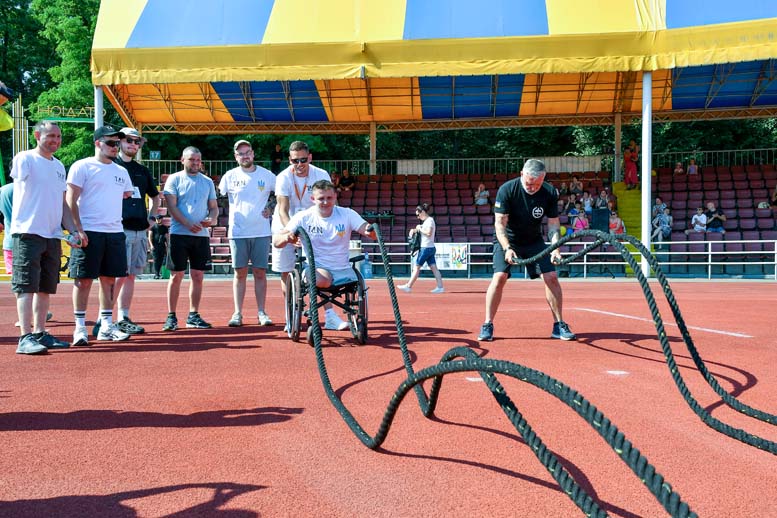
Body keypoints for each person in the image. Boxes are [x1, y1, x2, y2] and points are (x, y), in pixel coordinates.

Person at [477, 159, 576, 342]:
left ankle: (559, 324)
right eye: (530, 184)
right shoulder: (507, 190)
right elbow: (500, 224)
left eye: (538, 184)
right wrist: (507, 248)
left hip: (533, 240)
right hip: (508, 239)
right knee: (499, 277)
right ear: (522, 174)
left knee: (551, 276)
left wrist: (555, 248)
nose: (533, 188)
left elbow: (553, 224)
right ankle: (487, 324)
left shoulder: (548, 192)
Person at [9, 121, 75, 354]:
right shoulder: (25, 158)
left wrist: (73, 230)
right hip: (27, 232)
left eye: (58, 136)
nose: (56, 140)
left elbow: (63, 203)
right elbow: (18, 188)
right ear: (37, 135)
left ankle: (39, 332)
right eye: (51, 136)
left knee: (46, 287)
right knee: (26, 285)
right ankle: (24, 337)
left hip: (52, 235)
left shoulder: (59, 166)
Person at [272, 180, 375, 328]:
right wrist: (287, 238)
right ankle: (329, 316)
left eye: (329, 198)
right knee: (323, 278)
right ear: (313, 199)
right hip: (315, 269)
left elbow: (367, 229)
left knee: (352, 280)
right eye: (321, 198)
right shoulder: (303, 217)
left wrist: (370, 231)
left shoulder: (347, 214)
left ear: (335, 196)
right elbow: (276, 241)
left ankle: (335, 318)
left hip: (343, 270)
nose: (325, 202)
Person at [66, 125, 135, 345]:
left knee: (109, 280)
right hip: (89, 231)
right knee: (83, 281)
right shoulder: (82, 166)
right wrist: (77, 228)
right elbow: (70, 199)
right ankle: (79, 328)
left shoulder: (121, 171)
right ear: (98, 143)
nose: (116, 147)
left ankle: (106, 326)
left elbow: (126, 194)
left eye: (118, 143)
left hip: (114, 232)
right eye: (111, 143)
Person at [91, 127, 160, 337]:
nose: (133, 145)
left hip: (140, 229)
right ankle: (103, 320)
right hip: (118, 229)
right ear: (119, 142)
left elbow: (155, 196)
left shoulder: (142, 170)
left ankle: (123, 317)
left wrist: (152, 218)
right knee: (116, 276)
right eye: (129, 140)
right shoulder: (111, 166)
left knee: (130, 276)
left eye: (137, 142)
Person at [271, 141, 344, 329]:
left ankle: (329, 315)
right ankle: (291, 316)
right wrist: (291, 233)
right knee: (286, 270)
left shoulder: (321, 174)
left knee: (320, 268)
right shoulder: (283, 177)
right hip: (286, 224)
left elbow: (327, 204)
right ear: (290, 160)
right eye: (295, 160)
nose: (299, 164)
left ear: (310, 157)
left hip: (312, 225)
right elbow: (283, 209)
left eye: (303, 160)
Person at [219, 139, 277, 327]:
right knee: (239, 273)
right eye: (241, 153)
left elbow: (281, 195)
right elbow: (219, 197)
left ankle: (262, 312)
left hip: (261, 231)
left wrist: (271, 207)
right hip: (238, 232)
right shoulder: (229, 176)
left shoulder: (267, 175)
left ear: (253, 153)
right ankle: (237, 313)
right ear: (236, 157)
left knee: (260, 272)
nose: (245, 156)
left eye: (247, 152)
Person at [161, 146, 218, 331]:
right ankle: (171, 316)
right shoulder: (174, 179)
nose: (195, 163)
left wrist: (212, 219)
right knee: (176, 275)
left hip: (200, 235)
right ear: (182, 160)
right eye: (192, 159)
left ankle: (193, 315)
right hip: (179, 234)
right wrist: (187, 223)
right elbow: (172, 207)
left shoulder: (207, 182)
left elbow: (214, 207)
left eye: (198, 160)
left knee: (198, 275)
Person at [397, 203, 444, 293]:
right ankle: (440, 287)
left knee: (416, 267)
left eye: (418, 214)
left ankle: (408, 286)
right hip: (429, 247)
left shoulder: (429, 221)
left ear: (422, 212)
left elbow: (428, 233)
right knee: (434, 268)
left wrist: (419, 228)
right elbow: (422, 230)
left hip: (426, 248)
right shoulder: (427, 221)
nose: (418, 217)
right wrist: (414, 230)